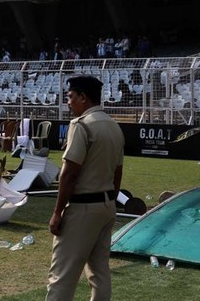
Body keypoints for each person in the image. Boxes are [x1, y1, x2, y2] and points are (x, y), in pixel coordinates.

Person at [46, 75, 124, 301]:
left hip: (83, 209)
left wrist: (57, 212)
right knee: (100, 274)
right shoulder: (113, 126)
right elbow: (117, 172)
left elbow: (69, 173)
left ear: (83, 97)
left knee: (62, 275)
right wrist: (110, 201)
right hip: (107, 206)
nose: (68, 102)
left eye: (70, 97)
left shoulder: (81, 125)